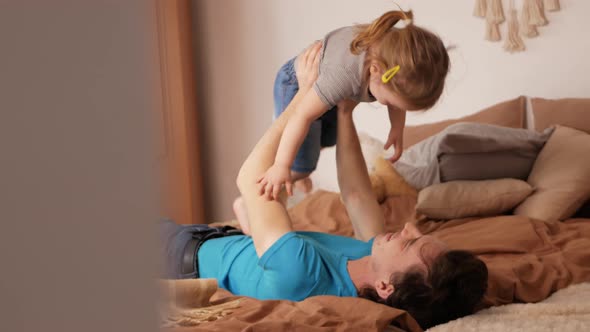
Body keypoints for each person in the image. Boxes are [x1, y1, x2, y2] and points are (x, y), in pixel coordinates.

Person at [159, 44, 487, 330]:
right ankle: (251, 226)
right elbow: (358, 195)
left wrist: (306, 94)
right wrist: (345, 113)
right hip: (215, 241)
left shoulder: (302, 273)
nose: (409, 227)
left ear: (386, 286)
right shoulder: (368, 261)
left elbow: (250, 177)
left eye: (408, 244)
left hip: (174, 255)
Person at [257, 9, 450, 200]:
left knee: (330, 137)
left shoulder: (393, 59)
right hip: (296, 83)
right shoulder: (344, 77)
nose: (392, 107)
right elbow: (301, 116)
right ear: (375, 71)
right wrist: (281, 166)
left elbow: (397, 99)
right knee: (304, 165)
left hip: (327, 85)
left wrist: (397, 128)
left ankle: (299, 166)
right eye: (391, 102)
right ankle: (288, 176)